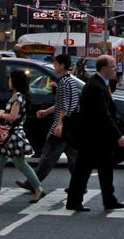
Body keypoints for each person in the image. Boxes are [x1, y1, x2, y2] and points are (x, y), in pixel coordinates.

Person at [65, 54, 124, 212]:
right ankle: (74, 201)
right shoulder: (95, 86)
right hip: (92, 138)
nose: (116, 69)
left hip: (99, 137)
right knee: (83, 170)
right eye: (113, 66)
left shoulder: (101, 83)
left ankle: (109, 200)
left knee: (105, 169)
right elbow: (102, 114)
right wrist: (118, 135)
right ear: (104, 68)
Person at [0, 68, 46, 203]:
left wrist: (1, 114)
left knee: (20, 164)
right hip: (8, 136)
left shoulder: (17, 97)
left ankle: (38, 189)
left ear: (15, 81)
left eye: (10, 79)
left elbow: (13, 117)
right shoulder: (18, 96)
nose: (8, 81)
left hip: (12, 136)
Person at [22, 53, 82, 189]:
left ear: (61, 65)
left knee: (47, 157)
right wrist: (46, 112)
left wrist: (60, 124)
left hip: (61, 126)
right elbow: (63, 104)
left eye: (56, 64)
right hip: (70, 126)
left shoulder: (63, 82)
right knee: (74, 159)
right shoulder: (71, 81)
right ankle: (79, 185)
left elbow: (64, 106)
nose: (54, 66)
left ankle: (33, 183)